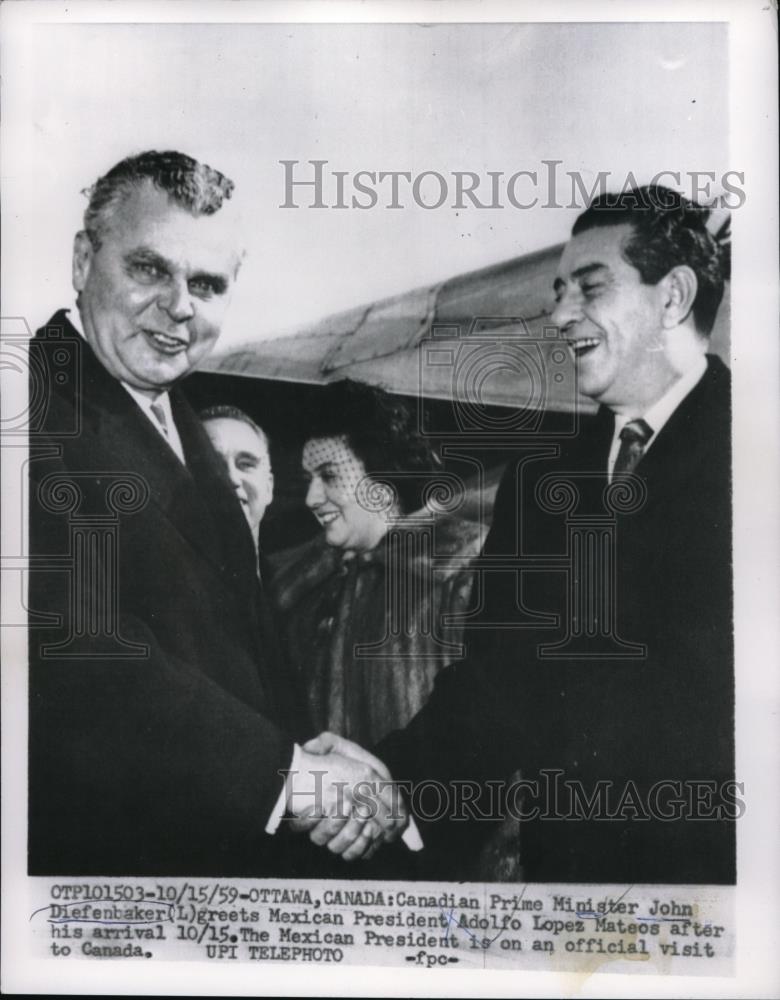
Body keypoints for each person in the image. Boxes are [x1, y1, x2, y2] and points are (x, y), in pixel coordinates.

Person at [307, 185, 736, 884]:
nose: (561, 315)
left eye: (589, 289)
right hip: (566, 897)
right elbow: (496, 688)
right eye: (558, 292)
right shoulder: (540, 484)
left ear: (674, 296)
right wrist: (391, 780)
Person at [27, 150, 404, 876]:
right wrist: (292, 777)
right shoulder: (28, 407)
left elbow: (242, 642)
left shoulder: (179, 420)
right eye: (148, 269)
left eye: (207, 283)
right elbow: (76, 649)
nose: (179, 306)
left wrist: (312, 753)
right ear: (82, 261)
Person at [271, 379, 486, 747]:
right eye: (309, 479)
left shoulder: (463, 573)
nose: (310, 497)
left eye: (330, 476)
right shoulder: (295, 594)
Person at [200, 404, 274, 556]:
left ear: (269, 487)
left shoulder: (290, 576)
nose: (232, 479)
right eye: (214, 464)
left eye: (246, 464)